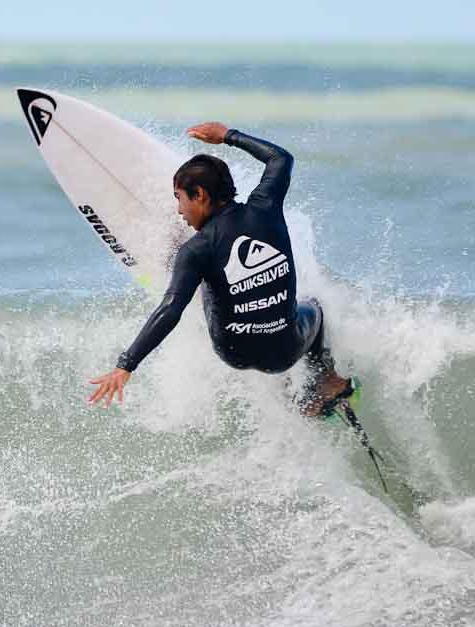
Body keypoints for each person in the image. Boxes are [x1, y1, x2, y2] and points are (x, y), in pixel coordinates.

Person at [87, 121, 353, 416]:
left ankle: (183, 268)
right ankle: (326, 380)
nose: (179, 210)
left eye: (180, 198)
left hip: (233, 350)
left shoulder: (196, 249)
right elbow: (281, 159)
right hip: (285, 350)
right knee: (313, 306)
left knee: (201, 270)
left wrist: (126, 365)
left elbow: (171, 308)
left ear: (199, 194)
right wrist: (229, 136)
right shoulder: (266, 207)